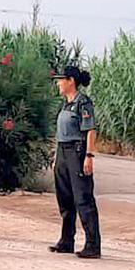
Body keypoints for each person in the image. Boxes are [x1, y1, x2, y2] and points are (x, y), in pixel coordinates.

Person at [49, 66, 101, 259]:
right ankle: (66, 240)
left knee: (83, 198)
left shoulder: (83, 103)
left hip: (77, 152)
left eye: (60, 79)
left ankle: (93, 245)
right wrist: (57, 157)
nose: (58, 83)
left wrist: (88, 156)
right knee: (65, 197)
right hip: (63, 152)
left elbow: (90, 130)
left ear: (71, 81)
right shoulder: (65, 104)